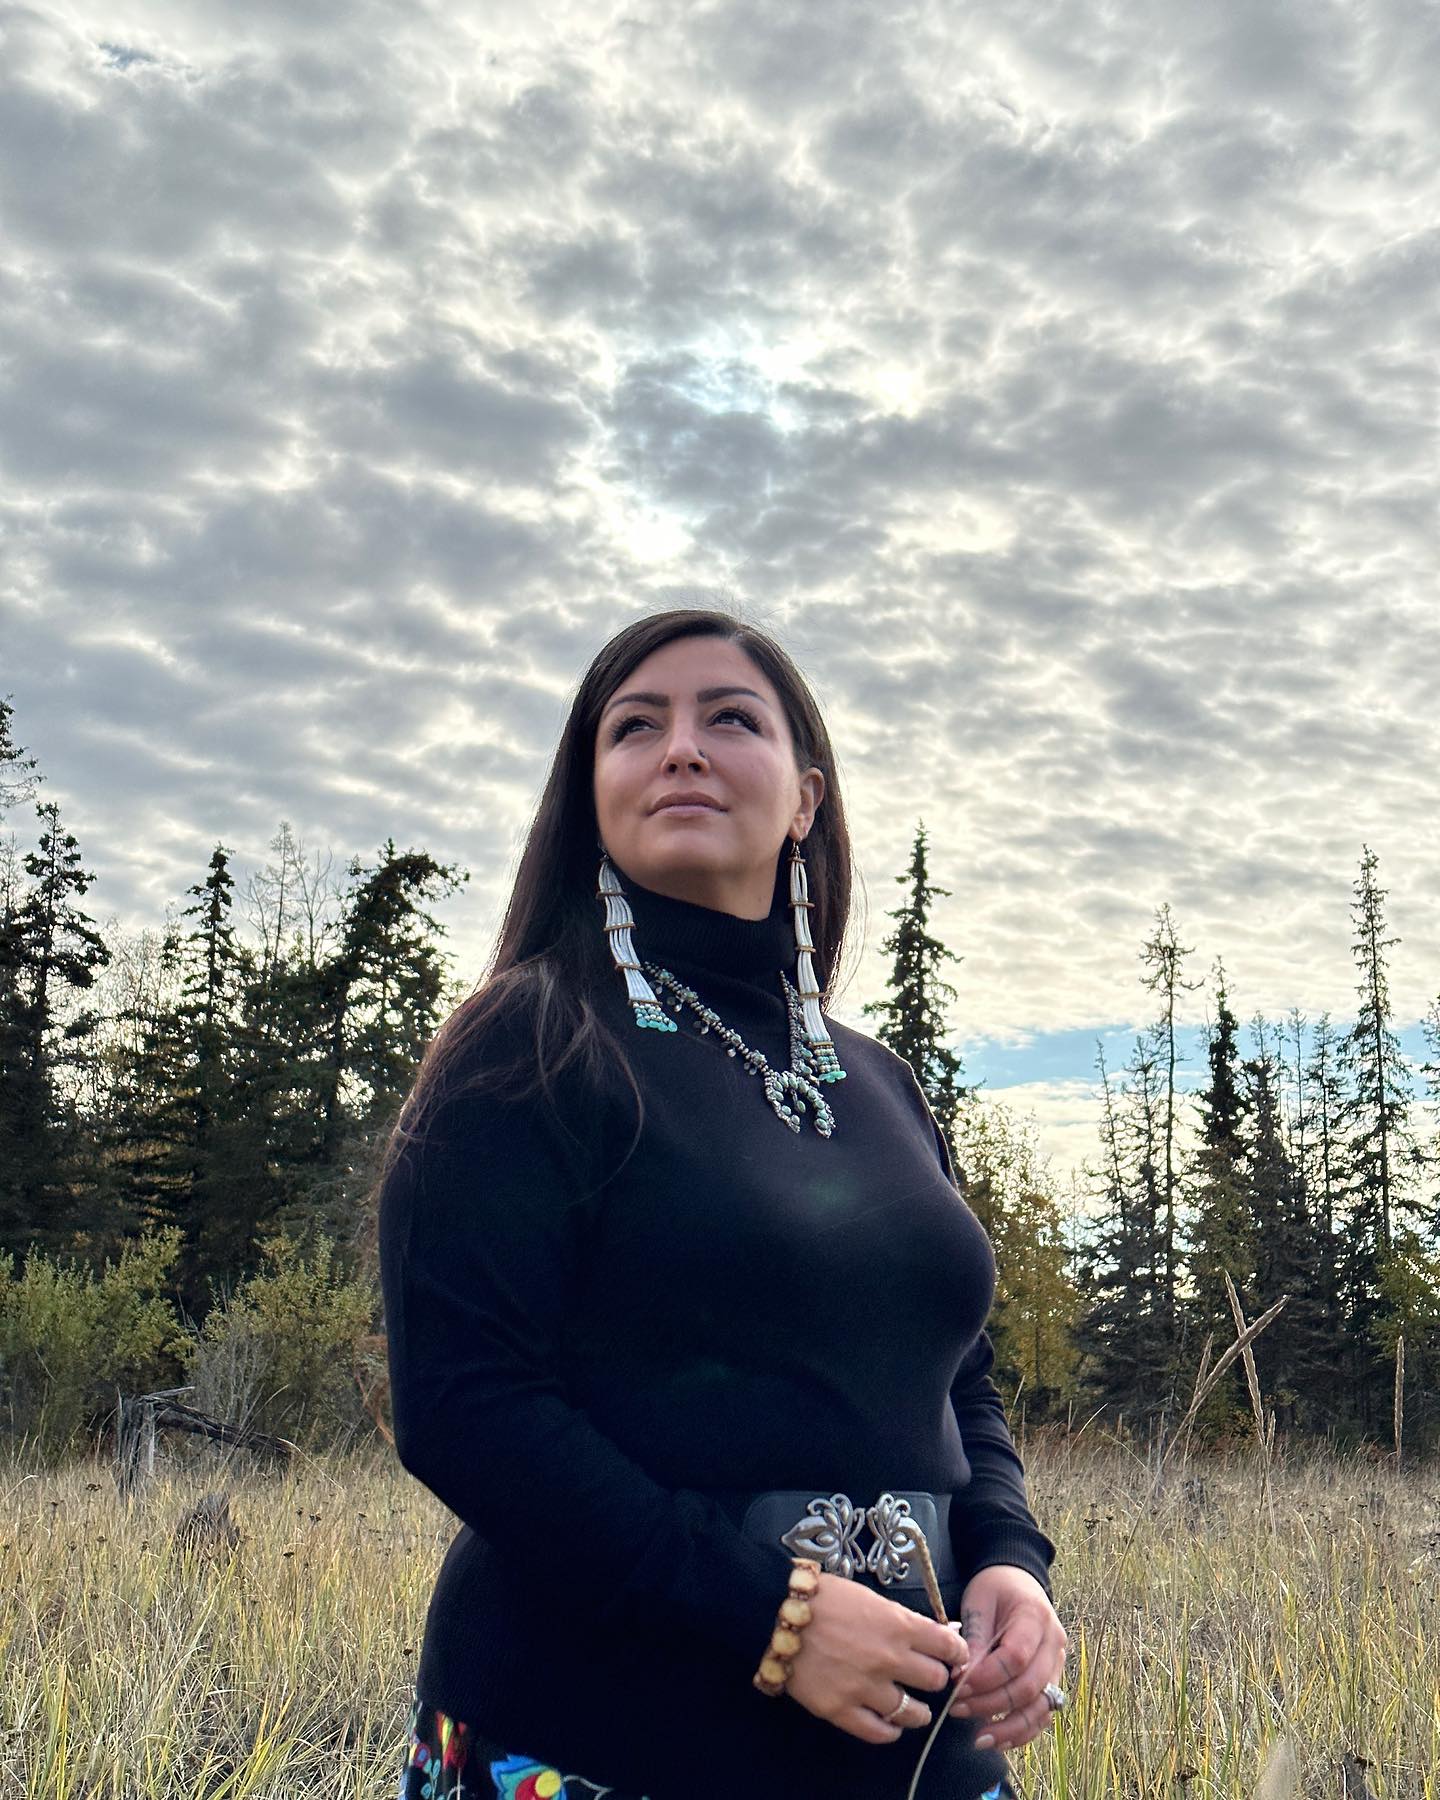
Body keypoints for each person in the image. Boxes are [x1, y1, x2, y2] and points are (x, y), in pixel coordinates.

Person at [378, 608, 1066, 1800]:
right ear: (591, 793)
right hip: (599, 1736)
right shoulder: (528, 1044)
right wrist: (775, 1618)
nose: (680, 748)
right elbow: (464, 1409)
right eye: (634, 727)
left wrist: (1007, 1556)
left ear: (805, 799)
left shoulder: (879, 1083)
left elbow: (958, 1376)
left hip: (912, 1751)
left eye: (728, 717)